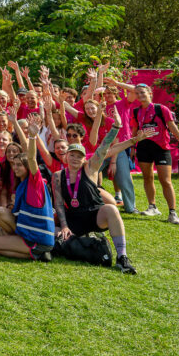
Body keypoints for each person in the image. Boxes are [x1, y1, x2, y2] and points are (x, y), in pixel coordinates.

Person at [52, 109, 137, 274]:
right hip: (74, 219)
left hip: (94, 215)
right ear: (66, 157)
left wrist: (116, 127)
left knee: (111, 208)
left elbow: (104, 147)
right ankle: (87, 241)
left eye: (79, 156)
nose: (75, 158)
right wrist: (64, 225)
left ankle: (122, 256)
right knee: (52, 232)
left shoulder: (90, 168)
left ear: (84, 159)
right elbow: (58, 202)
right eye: (72, 155)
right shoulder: (57, 176)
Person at [0, 115, 56, 261]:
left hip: (39, 237)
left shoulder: (35, 181)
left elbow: (31, 157)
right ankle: (33, 252)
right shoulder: (20, 184)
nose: (16, 167)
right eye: (14, 164)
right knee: (0, 212)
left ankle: (35, 253)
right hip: (28, 231)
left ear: (27, 168)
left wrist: (32, 137)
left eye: (19, 165)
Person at [130, 84, 179, 225]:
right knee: (147, 177)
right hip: (144, 147)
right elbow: (135, 130)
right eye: (137, 93)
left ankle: (173, 213)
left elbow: (172, 127)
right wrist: (133, 147)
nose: (140, 95)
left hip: (161, 148)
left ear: (150, 93)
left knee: (165, 181)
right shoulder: (136, 111)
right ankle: (152, 207)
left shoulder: (160, 109)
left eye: (142, 92)